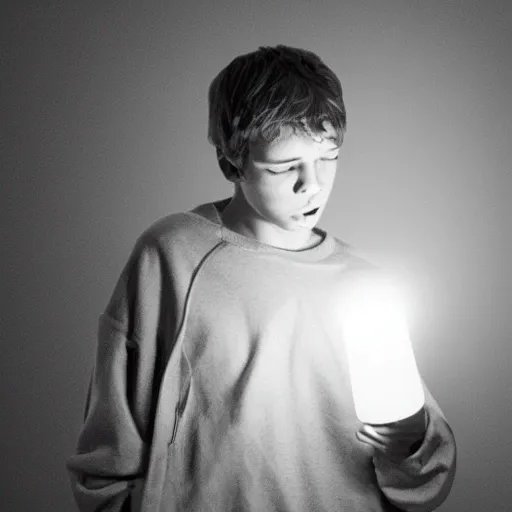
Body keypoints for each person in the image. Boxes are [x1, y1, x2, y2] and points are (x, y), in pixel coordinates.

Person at [66, 45, 457, 511]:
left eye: (327, 157)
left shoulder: (365, 289)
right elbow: (107, 453)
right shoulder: (172, 257)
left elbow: (424, 481)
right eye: (284, 166)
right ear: (233, 162)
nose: (311, 184)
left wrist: (409, 444)